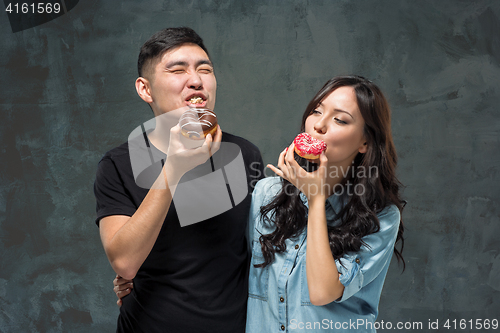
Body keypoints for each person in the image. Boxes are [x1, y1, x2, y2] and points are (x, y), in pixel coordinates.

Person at [94, 27, 264, 333]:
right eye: (177, 70)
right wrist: (173, 167)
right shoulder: (118, 164)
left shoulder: (245, 154)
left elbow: (265, 249)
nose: (196, 80)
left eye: (205, 69)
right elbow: (124, 262)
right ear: (145, 90)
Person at [246, 75, 405, 332]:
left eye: (339, 119)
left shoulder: (382, 217)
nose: (319, 125)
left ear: (365, 142)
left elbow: (322, 292)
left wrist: (316, 198)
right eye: (316, 111)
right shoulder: (267, 194)